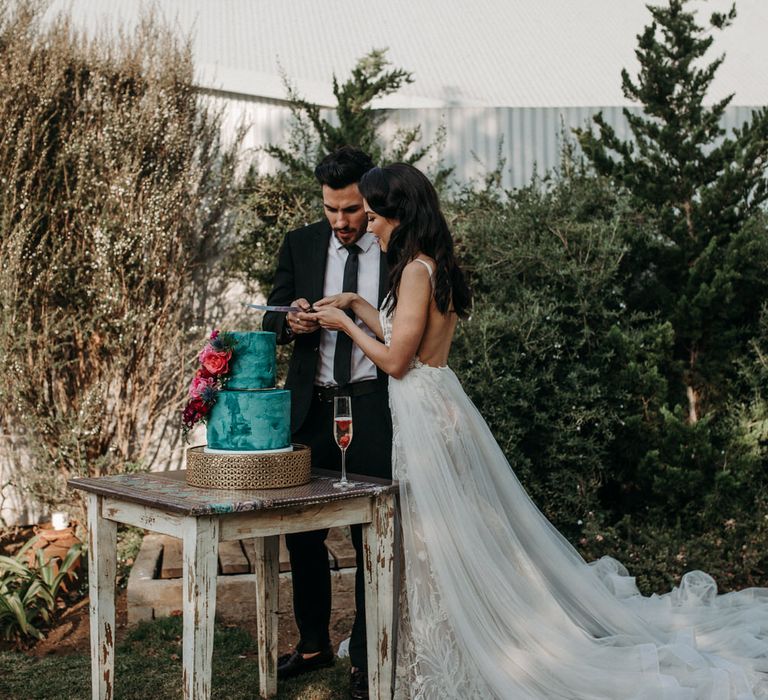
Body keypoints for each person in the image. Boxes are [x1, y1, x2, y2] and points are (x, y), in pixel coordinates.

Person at [311, 162, 768, 699]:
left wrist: (345, 325)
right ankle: (440, 637)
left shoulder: (414, 270)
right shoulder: (426, 266)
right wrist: (355, 304)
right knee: (439, 534)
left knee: (435, 535)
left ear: (395, 210)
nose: (362, 214)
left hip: (422, 413)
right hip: (433, 404)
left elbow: (396, 360)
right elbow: (403, 330)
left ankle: (462, 644)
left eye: (369, 205)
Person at [262, 146, 392, 700]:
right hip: (311, 408)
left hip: (372, 406)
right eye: (330, 210)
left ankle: (364, 657)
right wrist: (292, 320)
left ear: (371, 199)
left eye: (351, 210)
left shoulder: (396, 248)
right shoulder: (301, 243)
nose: (340, 222)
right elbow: (273, 313)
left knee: (372, 538)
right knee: (302, 535)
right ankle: (313, 642)